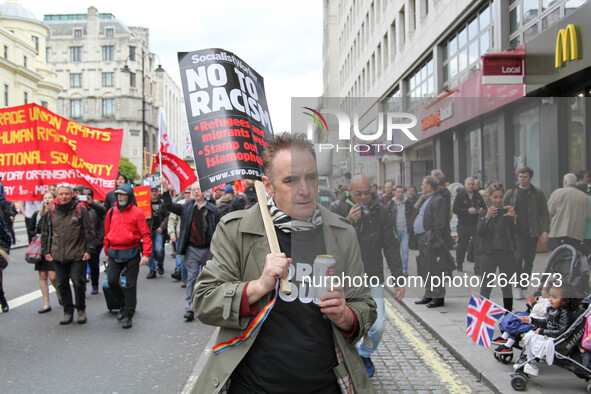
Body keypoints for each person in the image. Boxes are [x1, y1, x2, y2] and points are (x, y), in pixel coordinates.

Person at [193, 133, 377, 393]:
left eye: (311, 177)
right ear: (268, 186)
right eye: (291, 180)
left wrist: (345, 315)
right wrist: (256, 287)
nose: (305, 190)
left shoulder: (342, 232)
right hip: (253, 386)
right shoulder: (236, 230)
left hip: (325, 384)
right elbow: (203, 300)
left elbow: (366, 306)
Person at [331, 174, 405, 377]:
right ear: (349, 191)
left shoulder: (380, 211)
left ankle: (363, 354)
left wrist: (399, 279)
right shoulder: (338, 209)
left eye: (367, 193)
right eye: (358, 194)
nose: (363, 197)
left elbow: (391, 245)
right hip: (344, 278)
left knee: (378, 325)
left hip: (372, 276)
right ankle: (345, 359)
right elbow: (328, 240)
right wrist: (348, 221)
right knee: (341, 322)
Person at [163, 180, 220, 322]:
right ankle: (189, 308)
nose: (195, 192)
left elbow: (220, 228)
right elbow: (169, 205)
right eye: (193, 189)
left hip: (209, 250)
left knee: (210, 279)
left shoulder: (213, 210)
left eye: (198, 189)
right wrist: (165, 189)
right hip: (192, 250)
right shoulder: (187, 208)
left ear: (205, 192)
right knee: (191, 279)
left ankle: (209, 307)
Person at [41, 183, 95, 325]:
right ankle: (68, 311)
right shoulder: (51, 211)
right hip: (58, 255)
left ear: (71, 194)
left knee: (78, 282)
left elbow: (89, 231)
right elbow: (45, 233)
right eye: (61, 194)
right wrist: (46, 251)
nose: (64, 197)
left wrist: (89, 250)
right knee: (62, 284)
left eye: (66, 194)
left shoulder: (80, 208)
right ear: (57, 196)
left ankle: (81, 310)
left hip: (77, 253)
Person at [104, 183, 151, 329]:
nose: (119, 197)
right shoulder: (111, 212)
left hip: (132, 252)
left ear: (129, 196)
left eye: (123, 194)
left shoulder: (137, 213)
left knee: (131, 285)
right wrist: (106, 251)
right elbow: (107, 233)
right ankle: (123, 304)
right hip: (114, 252)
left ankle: (128, 315)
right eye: (118, 194)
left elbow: (146, 234)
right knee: (112, 281)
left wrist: (146, 254)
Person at [504, 167, 550, 300]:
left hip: (532, 232)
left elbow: (544, 212)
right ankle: (517, 287)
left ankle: (524, 287)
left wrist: (545, 230)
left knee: (529, 261)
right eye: (520, 177)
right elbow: (504, 210)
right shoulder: (512, 193)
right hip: (516, 231)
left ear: (530, 177)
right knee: (518, 258)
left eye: (524, 177)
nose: (522, 179)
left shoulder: (537, 193)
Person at [517, 280, 580, 376]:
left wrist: (542, 331)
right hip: (550, 335)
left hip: (556, 340)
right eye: (550, 296)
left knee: (533, 337)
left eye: (554, 297)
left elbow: (562, 331)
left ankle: (531, 364)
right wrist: (530, 320)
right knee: (530, 335)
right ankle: (530, 363)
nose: (550, 299)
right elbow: (546, 322)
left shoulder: (565, 312)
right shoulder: (554, 309)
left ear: (565, 300)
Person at [413, 176, 454, 308]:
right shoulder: (427, 198)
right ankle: (429, 293)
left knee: (435, 269)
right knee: (425, 268)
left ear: (429, 186)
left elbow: (440, 223)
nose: (421, 187)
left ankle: (438, 296)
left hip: (431, 239)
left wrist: (433, 238)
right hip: (423, 239)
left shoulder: (438, 200)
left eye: (423, 184)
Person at [476, 183, 518, 312]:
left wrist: (515, 218)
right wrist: (487, 217)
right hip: (488, 254)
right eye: (495, 197)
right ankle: (481, 317)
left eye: (500, 197)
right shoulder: (484, 213)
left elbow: (519, 233)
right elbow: (479, 232)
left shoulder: (507, 213)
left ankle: (508, 316)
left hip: (505, 254)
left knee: (506, 287)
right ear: (489, 197)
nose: (498, 200)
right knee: (485, 287)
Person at [493, 283, 551, 357]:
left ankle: (508, 344)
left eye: (543, 290)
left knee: (520, 327)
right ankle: (504, 337)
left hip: (536, 322)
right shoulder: (541, 298)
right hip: (531, 317)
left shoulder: (548, 302)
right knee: (515, 319)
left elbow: (543, 311)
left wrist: (533, 304)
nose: (542, 291)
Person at [28, 192, 60, 313]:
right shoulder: (37, 215)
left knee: (53, 277)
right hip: (40, 249)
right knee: (42, 276)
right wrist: (36, 235)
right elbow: (30, 229)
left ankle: (59, 292)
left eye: (49, 198)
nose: (47, 200)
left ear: (54, 200)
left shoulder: (57, 214)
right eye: (45, 198)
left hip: (53, 248)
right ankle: (46, 303)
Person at [547, 173, 591, 250]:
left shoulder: (557, 193)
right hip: (577, 233)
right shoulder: (584, 197)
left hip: (558, 231)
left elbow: (549, 211)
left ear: (565, 182)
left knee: (560, 254)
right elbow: (588, 216)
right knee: (574, 253)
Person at [452, 177, 486, 272]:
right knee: (462, 245)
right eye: (469, 184)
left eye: (472, 184)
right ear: (465, 185)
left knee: (477, 245)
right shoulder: (460, 195)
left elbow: (484, 207)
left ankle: (478, 267)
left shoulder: (478, 195)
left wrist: (480, 210)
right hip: (464, 224)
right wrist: (467, 210)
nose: (471, 186)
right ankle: (459, 264)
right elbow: (455, 209)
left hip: (475, 224)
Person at [81, 187, 107, 294]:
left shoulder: (96, 208)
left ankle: (95, 284)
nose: (86, 196)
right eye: (84, 194)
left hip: (95, 242)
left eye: (89, 194)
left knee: (93, 264)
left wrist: (92, 204)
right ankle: (82, 288)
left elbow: (103, 211)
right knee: (80, 266)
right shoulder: (78, 208)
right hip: (81, 242)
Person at [387, 185, 414, 276]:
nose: (400, 194)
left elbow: (413, 214)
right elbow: (387, 216)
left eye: (401, 192)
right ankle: (396, 268)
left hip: (405, 230)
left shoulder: (408, 203)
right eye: (398, 192)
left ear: (404, 193)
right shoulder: (391, 203)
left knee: (405, 250)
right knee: (395, 251)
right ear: (395, 192)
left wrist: (410, 225)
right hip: (395, 230)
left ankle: (404, 270)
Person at [167, 186, 191, 283]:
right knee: (180, 257)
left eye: (190, 192)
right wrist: (172, 233)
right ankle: (180, 272)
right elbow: (172, 220)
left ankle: (191, 280)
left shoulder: (197, 205)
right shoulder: (180, 205)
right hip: (181, 236)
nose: (188, 195)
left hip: (193, 238)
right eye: (186, 193)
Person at [146, 186, 169, 279]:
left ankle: (160, 264)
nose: (154, 193)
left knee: (159, 249)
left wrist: (162, 227)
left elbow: (167, 216)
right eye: (152, 191)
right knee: (150, 251)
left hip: (158, 230)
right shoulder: (145, 203)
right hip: (148, 230)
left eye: (156, 191)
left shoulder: (162, 203)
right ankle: (152, 270)